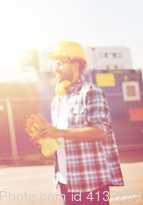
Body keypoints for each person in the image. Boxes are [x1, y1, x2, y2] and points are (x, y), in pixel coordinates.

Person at [35, 41, 124, 204]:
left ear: (75, 65)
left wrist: (60, 132)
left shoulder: (91, 92)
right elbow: (60, 138)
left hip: (91, 182)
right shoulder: (57, 100)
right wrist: (45, 137)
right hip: (66, 181)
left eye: (60, 63)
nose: (55, 68)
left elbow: (100, 132)